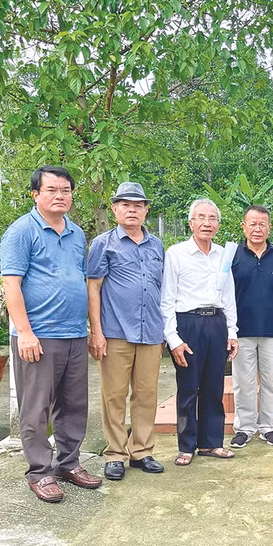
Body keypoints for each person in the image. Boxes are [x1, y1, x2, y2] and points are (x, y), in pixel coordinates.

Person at [0, 165, 102, 503]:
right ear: (35, 194)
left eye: (66, 191)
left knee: (73, 405)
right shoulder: (21, 232)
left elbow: (80, 283)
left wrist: (90, 330)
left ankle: (68, 464)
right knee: (36, 408)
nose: (60, 196)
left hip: (73, 333)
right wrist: (25, 333)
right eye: (52, 190)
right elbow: (11, 286)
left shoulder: (76, 234)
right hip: (38, 337)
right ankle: (40, 471)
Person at [87, 182, 166, 480]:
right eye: (125, 204)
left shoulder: (157, 245)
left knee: (146, 394)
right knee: (115, 395)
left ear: (146, 210)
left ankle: (142, 451)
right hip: (115, 332)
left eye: (138, 205)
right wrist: (96, 331)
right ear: (115, 208)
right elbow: (93, 288)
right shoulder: (103, 244)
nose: (132, 209)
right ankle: (115, 453)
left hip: (150, 333)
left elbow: (161, 289)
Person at [161, 198, 239, 466]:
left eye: (212, 219)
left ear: (218, 224)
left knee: (214, 386)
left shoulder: (223, 255)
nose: (207, 223)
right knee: (188, 387)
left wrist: (232, 332)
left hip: (216, 323)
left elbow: (229, 297)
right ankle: (187, 445)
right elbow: (167, 300)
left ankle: (211, 443)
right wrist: (173, 338)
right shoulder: (176, 254)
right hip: (188, 324)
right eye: (201, 218)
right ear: (191, 222)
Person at [229, 205, 273, 448]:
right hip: (241, 331)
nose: (257, 228)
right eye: (252, 224)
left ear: (269, 228)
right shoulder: (233, 255)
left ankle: (267, 427)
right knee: (243, 383)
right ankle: (244, 428)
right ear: (243, 226)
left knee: (270, 381)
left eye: (262, 224)